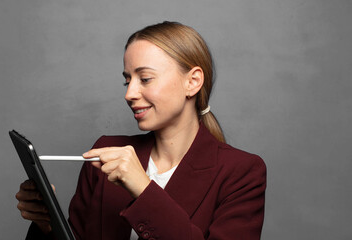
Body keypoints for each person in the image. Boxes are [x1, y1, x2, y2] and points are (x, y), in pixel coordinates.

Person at [15, 21, 266, 240]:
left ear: (192, 82)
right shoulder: (106, 155)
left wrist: (143, 188)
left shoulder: (242, 172)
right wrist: (47, 224)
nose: (129, 94)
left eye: (145, 79)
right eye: (127, 80)